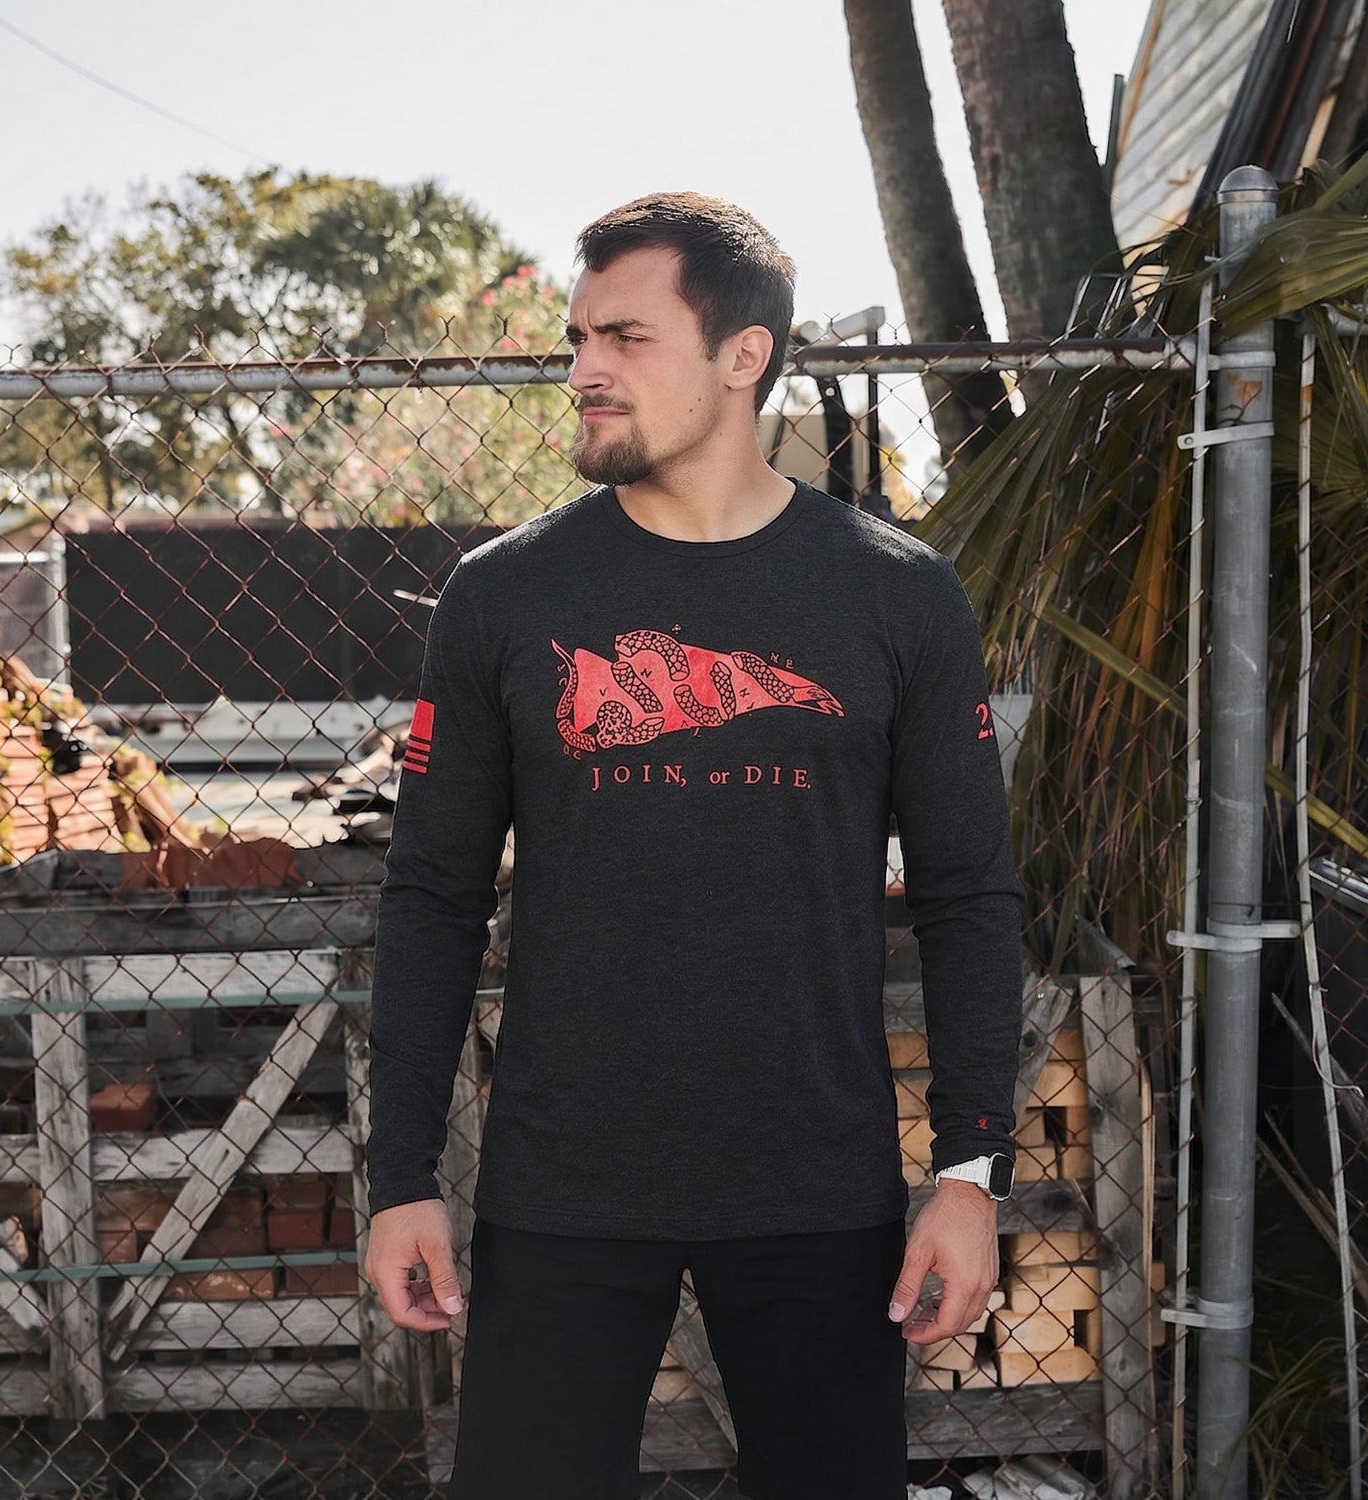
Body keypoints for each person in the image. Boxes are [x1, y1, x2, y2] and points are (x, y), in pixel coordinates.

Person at [363, 191, 1022, 1500]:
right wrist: (402, 1176)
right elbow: (432, 894)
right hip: (563, 1191)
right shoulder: (506, 595)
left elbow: (968, 899)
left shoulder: (897, 595)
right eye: (576, 340)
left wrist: (968, 1175)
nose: (583, 373)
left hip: (817, 1191)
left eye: (625, 337)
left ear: (744, 356)